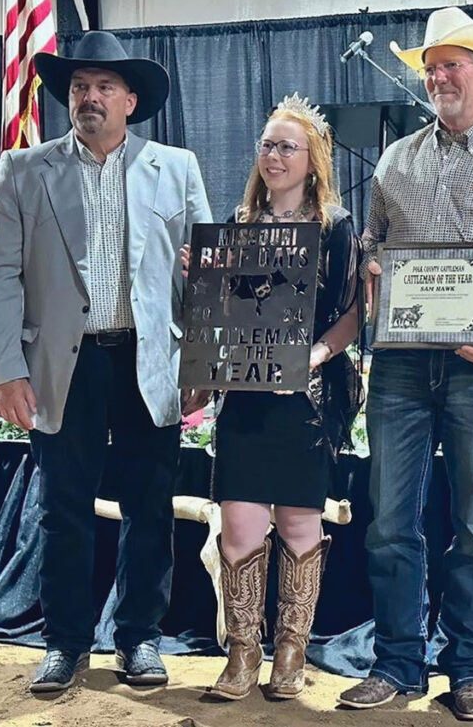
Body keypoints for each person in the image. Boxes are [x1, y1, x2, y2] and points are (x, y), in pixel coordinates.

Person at [337, 7, 473, 721]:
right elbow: (373, 241)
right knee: (389, 520)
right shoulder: (398, 158)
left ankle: (470, 667)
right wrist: (369, 264)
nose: (438, 77)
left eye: (452, 64)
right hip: (400, 367)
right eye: (431, 67)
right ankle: (398, 663)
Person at [0, 31, 212, 692]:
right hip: (61, 364)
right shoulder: (23, 171)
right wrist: (6, 370)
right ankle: (66, 641)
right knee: (62, 508)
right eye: (80, 86)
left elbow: (209, 279)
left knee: (151, 507)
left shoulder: (178, 168)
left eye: (105, 86)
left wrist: (200, 362)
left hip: (149, 357)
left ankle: (139, 637)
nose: (90, 96)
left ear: (131, 100)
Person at [197, 94, 361, 702]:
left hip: (305, 400)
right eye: (267, 144)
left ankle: (291, 650)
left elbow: (350, 315)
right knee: (239, 522)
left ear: (313, 159)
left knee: (298, 519)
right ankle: (242, 651)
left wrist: (314, 355)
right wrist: (203, 277)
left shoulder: (336, 226)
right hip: (244, 398)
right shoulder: (237, 226)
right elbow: (219, 315)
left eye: (286, 146)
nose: (273, 155)